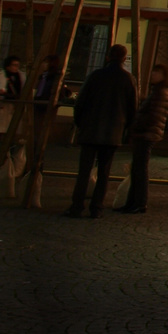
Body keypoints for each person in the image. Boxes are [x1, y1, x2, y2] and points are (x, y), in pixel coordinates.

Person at [63, 44, 136, 218]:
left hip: (91, 128)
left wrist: (80, 123)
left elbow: (80, 103)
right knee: (104, 172)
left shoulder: (95, 76)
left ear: (108, 56)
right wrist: (125, 129)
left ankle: (77, 206)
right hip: (113, 131)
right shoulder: (128, 79)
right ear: (124, 59)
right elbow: (132, 108)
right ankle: (96, 207)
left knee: (84, 171)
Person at [118, 63, 168, 214]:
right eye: (153, 71)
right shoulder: (159, 91)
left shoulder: (160, 93)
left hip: (146, 134)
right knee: (137, 168)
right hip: (146, 133)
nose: (153, 75)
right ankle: (132, 202)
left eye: (157, 72)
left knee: (140, 169)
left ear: (164, 76)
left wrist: (137, 126)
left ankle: (139, 202)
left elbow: (153, 116)